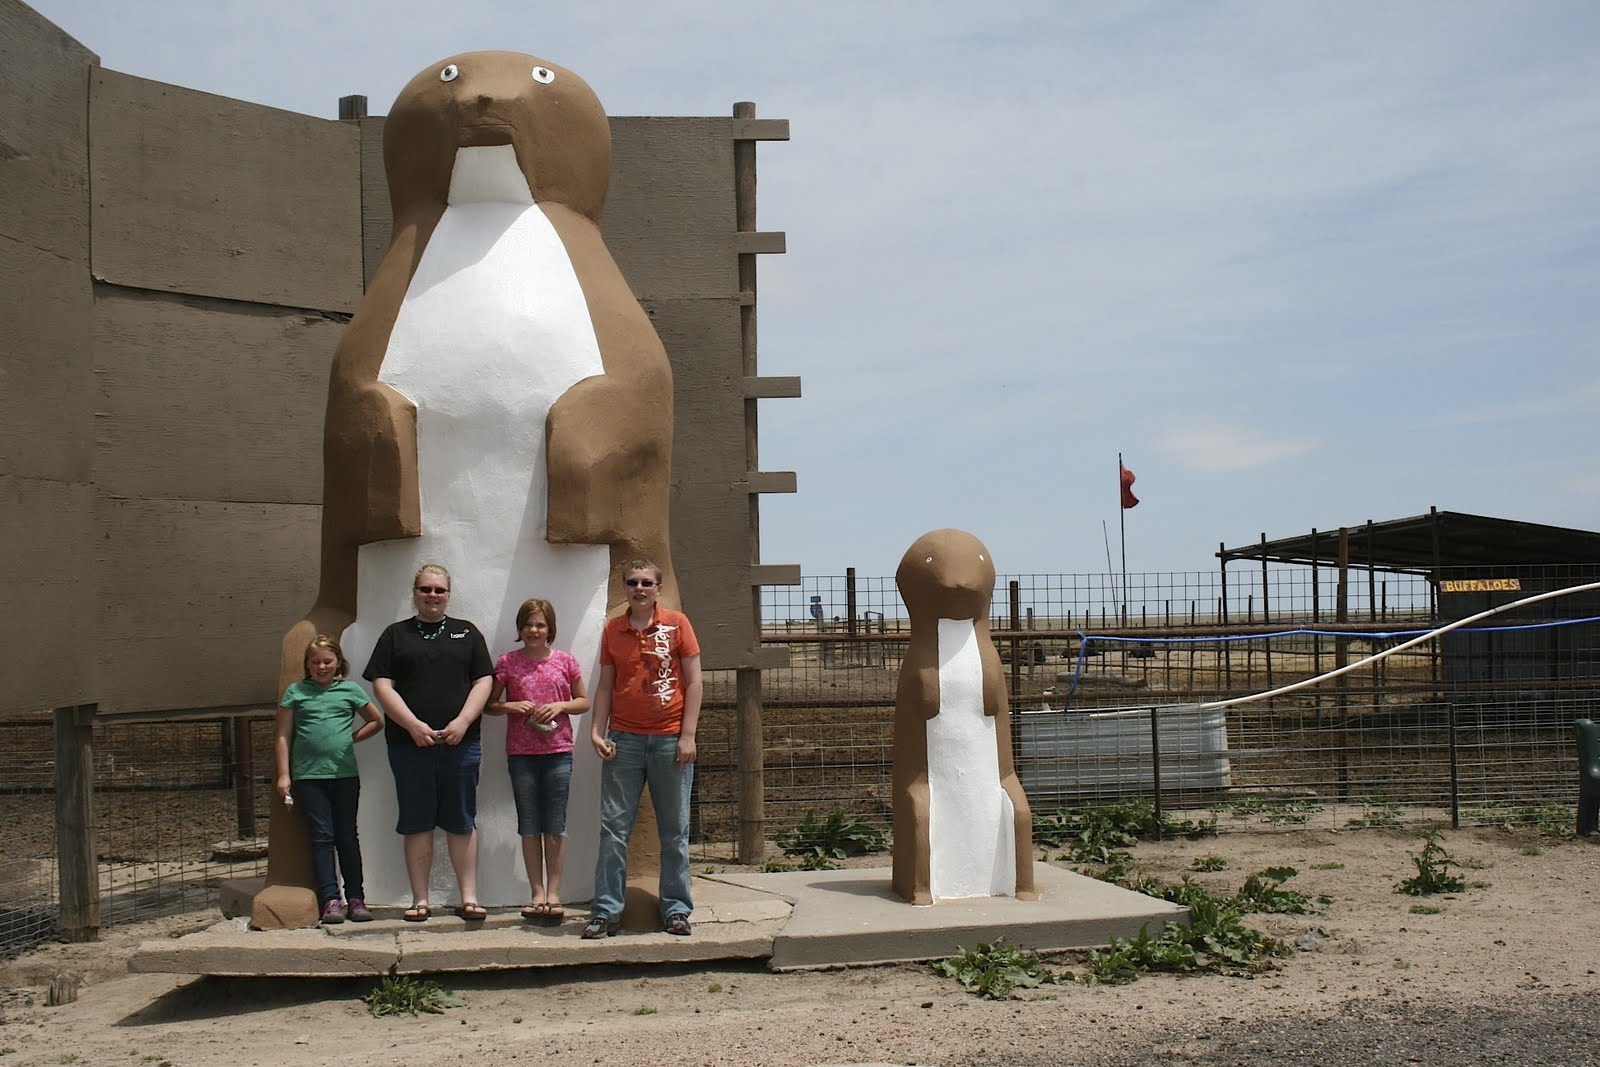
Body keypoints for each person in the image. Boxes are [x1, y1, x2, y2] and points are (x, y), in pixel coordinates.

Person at [363, 564, 494, 922]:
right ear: (415, 592)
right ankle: (420, 900)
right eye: (425, 589)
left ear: (448, 594)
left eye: (439, 590)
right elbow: (382, 685)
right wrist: (412, 726)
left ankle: (469, 899)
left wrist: (462, 722)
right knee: (416, 821)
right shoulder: (395, 635)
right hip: (409, 746)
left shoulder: (467, 633)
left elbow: (484, 681)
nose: (432, 595)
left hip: (461, 745)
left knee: (461, 820)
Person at [583, 559, 702, 939]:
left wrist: (688, 735)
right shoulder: (613, 630)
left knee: (675, 831)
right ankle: (606, 912)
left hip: (670, 739)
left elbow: (694, 682)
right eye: (633, 582)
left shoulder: (677, 624)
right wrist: (597, 731)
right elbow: (605, 685)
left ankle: (676, 910)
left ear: (658, 589)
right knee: (613, 830)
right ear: (625, 588)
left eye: (646, 583)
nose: (639, 589)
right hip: (625, 741)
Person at [486, 597, 590, 924]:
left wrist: (560, 706)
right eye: (528, 624)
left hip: (558, 751)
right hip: (521, 753)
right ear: (520, 628)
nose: (534, 630)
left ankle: (554, 894)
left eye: (540, 625)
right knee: (529, 823)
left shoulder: (566, 661)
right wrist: (511, 706)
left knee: (555, 824)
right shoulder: (507, 662)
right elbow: (489, 704)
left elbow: (583, 701)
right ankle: (536, 892)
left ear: (550, 629)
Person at [275, 634, 384, 924]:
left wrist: (350, 739)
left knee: (347, 836)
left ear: (338, 663)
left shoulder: (349, 690)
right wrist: (284, 774)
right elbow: (283, 734)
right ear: (307, 665)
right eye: (315, 662)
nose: (321, 667)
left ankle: (356, 898)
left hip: (344, 774)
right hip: (309, 777)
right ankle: (330, 900)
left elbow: (376, 721)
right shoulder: (296, 692)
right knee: (322, 838)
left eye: (327, 661)